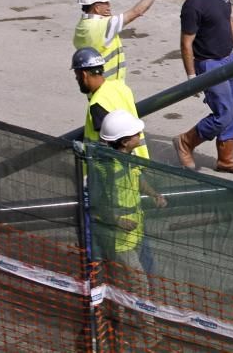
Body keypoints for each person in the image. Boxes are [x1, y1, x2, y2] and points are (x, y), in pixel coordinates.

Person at [92, 109, 166, 348]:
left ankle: (119, 323)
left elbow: (138, 178)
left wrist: (154, 194)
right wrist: (117, 220)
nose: (140, 135)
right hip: (119, 237)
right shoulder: (105, 168)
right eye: (135, 134)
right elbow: (98, 203)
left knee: (128, 283)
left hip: (136, 231)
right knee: (139, 284)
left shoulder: (129, 158)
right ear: (124, 141)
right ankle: (150, 336)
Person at [172, 0, 233, 175]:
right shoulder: (193, 5)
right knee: (224, 113)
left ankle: (226, 159)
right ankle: (186, 141)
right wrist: (191, 77)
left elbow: (229, 19)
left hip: (229, 58)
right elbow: (186, 43)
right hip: (209, 64)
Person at [73, 0, 171, 82]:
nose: (109, 5)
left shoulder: (81, 27)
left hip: (97, 88)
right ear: (97, 8)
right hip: (110, 89)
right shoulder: (104, 26)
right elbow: (137, 11)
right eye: (106, 2)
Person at [72, 47, 149, 159]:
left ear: (84, 75)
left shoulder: (97, 104)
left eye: (77, 75)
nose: (76, 79)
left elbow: (108, 147)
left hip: (118, 170)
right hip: (140, 159)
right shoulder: (120, 87)